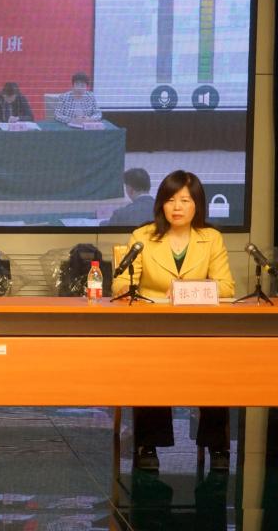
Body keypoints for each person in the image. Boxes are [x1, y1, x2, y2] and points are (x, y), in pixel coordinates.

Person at [110, 170, 235, 472]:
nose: (177, 207)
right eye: (170, 200)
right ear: (161, 204)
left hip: (199, 328)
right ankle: (148, 443)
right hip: (154, 326)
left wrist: (188, 289)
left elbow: (227, 287)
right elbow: (120, 285)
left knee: (219, 366)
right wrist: (128, 289)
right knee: (150, 366)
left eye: (185, 200)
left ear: (197, 204)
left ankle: (216, 443)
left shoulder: (211, 238)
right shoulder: (143, 236)